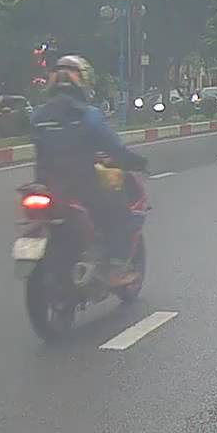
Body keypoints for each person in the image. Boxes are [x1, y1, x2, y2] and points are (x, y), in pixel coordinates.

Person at [30, 55, 147, 286]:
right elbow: (115, 149)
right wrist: (136, 162)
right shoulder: (89, 115)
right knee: (121, 214)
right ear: (82, 82)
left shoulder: (38, 116)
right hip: (82, 187)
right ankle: (115, 268)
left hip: (46, 185)